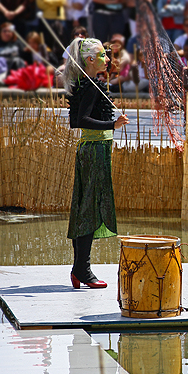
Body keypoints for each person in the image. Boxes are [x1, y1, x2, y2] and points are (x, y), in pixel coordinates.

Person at [65, 37, 128, 289]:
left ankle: (79, 268)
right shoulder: (89, 86)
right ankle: (83, 268)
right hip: (94, 150)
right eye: (103, 55)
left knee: (85, 206)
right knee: (89, 208)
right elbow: (81, 120)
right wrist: (112, 125)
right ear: (90, 60)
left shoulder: (88, 83)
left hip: (93, 149)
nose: (108, 59)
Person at [36, 0, 67, 65]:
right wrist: (55, 2)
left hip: (59, 19)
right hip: (46, 20)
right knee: (47, 46)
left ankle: (60, 68)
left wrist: (47, 0)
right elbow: (40, 3)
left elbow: (62, 1)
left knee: (60, 46)